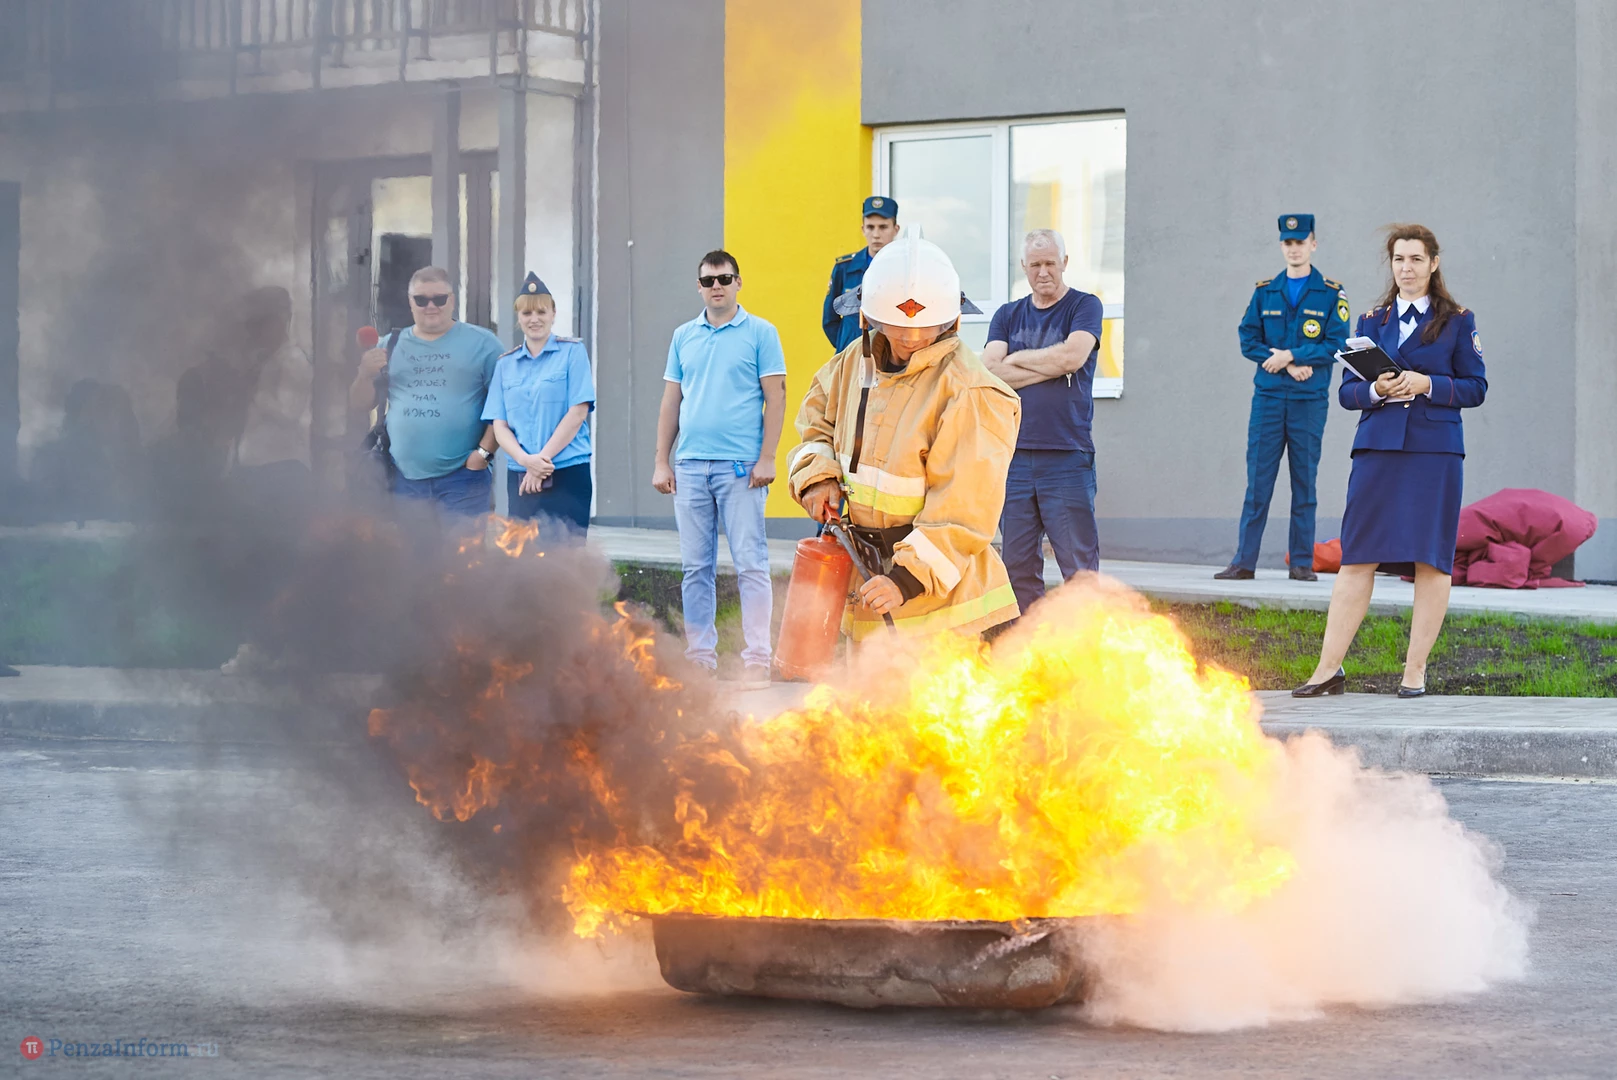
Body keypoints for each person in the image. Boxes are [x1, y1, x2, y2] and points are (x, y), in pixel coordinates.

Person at [790, 229, 1021, 642]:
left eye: (925, 331)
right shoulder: (852, 363)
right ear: (868, 319)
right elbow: (816, 423)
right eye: (896, 331)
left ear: (952, 321)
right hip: (871, 579)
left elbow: (964, 509)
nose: (910, 343)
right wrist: (818, 476)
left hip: (946, 610)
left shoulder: (971, 391)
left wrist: (906, 579)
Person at [1294, 224, 1486, 699]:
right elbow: (1346, 393)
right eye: (1399, 259)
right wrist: (1376, 389)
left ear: (1433, 263)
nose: (1407, 268)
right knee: (1357, 555)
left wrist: (1428, 385)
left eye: (1416, 259)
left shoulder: (1458, 321)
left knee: (1431, 560)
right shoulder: (1370, 321)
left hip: (1433, 453)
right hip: (1377, 450)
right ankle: (1327, 670)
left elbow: (1476, 387)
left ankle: (1414, 672)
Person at [653, 250, 788, 685]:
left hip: (740, 468)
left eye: (725, 279)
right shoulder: (683, 336)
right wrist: (661, 461)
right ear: (699, 286)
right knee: (696, 568)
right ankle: (700, 658)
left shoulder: (761, 333)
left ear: (738, 283)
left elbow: (776, 398)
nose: (717, 286)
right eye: (709, 280)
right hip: (690, 466)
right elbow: (671, 401)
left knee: (751, 564)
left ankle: (757, 659)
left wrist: (767, 457)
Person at [1219, 214, 1351, 582]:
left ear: (1313, 244)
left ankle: (1302, 563)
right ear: (1281, 246)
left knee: (1304, 482)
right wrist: (1285, 363)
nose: (1294, 249)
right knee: (1258, 482)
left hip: (1309, 401)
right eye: (1288, 243)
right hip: (1269, 399)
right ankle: (1244, 562)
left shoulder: (1330, 293)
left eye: (1300, 242)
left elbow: (1338, 343)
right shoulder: (1266, 292)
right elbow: (1248, 339)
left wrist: (1291, 355)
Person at [981, 229, 1105, 617]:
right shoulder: (1007, 315)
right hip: (1014, 458)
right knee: (1017, 565)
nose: (1043, 271)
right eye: (1035, 264)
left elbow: (1072, 357)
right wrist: (1048, 365)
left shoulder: (1084, 306)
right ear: (1024, 266)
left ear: (1064, 262)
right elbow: (989, 371)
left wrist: (1017, 360)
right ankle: (1030, 644)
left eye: (1051, 262)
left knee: (1078, 566)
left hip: (1066, 456)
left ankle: (1085, 644)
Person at [349, 266, 503, 521]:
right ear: (410, 302)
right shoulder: (389, 345)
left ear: (452, 300)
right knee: (411, 549)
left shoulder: (485, 344)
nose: (430, 306)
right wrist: (364, 374)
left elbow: (504, 404)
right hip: (403, 480)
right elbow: (359, 404)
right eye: (421, 300)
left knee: (463, 548)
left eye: (439, 299)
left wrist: (483, 455)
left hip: (463, 479)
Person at [484, 272, 595, 535]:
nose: (534, 319)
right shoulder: (505, 364)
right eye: (527, 313)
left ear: (553, 314)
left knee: (567, 552)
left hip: (567, 470)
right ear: (519, 317)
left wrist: (540, 463)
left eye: (541, 312)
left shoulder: (573, 352)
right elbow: (499, 425)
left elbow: (578, 413)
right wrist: (526, 461)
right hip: (521, 475)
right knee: (523, 553)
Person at [821, 196, 900, 353]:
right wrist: (847, 345)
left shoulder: (904, 269)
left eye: (883, 227)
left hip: (891, 356)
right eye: (870, 227)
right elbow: (830, 320)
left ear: (895, 229)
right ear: (863, 229)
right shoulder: (845, 268)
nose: (876, 234)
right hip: (852, 356)